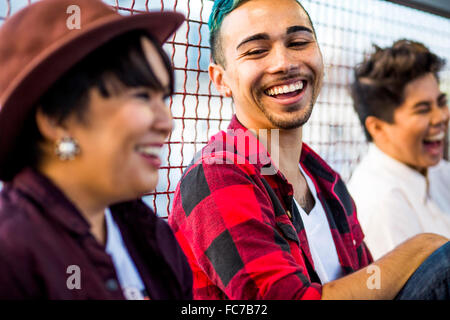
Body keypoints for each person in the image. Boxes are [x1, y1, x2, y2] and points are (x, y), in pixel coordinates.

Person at [168, 0, 450, 300]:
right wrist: (421, 250)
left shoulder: (325, 179)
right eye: (256, 51)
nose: (284, 63)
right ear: (220, 79)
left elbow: (370, 285)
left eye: (299, 42)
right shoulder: (218, 174)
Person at [0, 0, 192, 299]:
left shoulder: (154, 238)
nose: (167, 123)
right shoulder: (11, 258)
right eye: (142, 96)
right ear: (55, 119)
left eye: (164, 98)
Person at [348, 40, 450, 260]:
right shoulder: (380, 202)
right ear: (378, 128)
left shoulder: (440, 171)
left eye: (441, 102)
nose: (441, 117)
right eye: (423, 110)